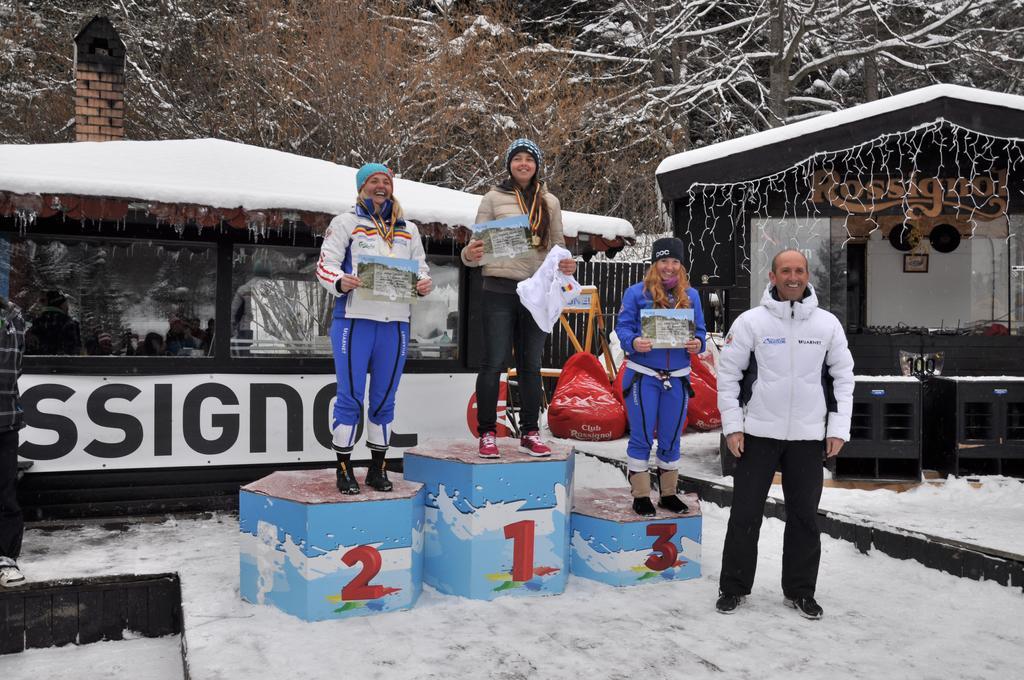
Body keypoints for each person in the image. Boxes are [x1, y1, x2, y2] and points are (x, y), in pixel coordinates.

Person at [715, 249, 854, 620]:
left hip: (809, 437)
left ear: (807, 276)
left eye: (800, 271)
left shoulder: (827, 325)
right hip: (757, 433)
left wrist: (838, 429)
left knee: (805, 517)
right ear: (772, 276)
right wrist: (733, 427)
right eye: (785, 271)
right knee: (745, 513)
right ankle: (733, 587)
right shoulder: (750, 323)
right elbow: (727, 377)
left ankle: (800, 591)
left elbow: (843, 378)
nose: (793, 277)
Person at [316, 163, 432, 494]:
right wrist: (340, 280)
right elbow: (325, 265)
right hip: (354, 322)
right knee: (350, 397)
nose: (381, 186)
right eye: (373, 181)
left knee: (384, 399)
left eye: (386, 181)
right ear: (361, 187)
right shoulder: (345, 223)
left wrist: (423, 283)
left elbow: (420, 268)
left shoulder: (408, 229)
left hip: (395, 325)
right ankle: (343, 469)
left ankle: (378, 468)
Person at [462, 138, 576, 458]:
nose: (524, 163)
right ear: (509, 164)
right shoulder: (492, 198)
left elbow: (558, 248)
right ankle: (487, 433)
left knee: (530, 364)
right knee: (494, 362)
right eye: (518, 159)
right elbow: (474, 250)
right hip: (499, 287)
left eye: (529, 159)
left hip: (535, 292)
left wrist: (567, 265)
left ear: (537, 165)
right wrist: (470, 253)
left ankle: (529, 431)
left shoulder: (549, 201)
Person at [614, 238, 706, 516]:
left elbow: (700, 331)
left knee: (671, 436)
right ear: (654, 264)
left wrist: (698, 344)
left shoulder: (691, 296)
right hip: (643, 376)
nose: (669, 267)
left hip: (677, 378)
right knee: (641, 435)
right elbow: (623, 327)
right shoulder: (635, 293)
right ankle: (641, 495)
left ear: (681, 265)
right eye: (664, 261)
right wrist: (633, 342)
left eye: (675, 262)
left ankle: (668, 494)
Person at [0, 293, 26, 587]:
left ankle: (5, 557)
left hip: (5, 420)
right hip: (7, 416)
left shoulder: (14, 321)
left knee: (5, 492)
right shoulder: (15, 319)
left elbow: (14, 370)